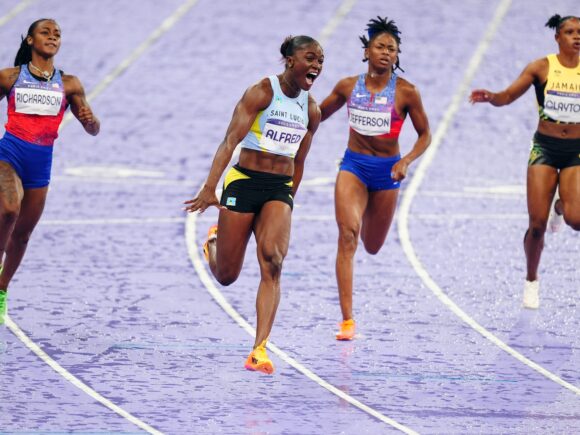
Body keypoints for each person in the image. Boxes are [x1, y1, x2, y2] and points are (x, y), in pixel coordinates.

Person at [184, 35, 323, 374]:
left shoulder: (311, 110)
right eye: (310, 58)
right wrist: (209, 187)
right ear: (290, 61)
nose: (317, 65)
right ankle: (214, 245)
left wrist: (290, 197)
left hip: (278, 188)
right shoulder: (261, 92)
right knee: (227, 276)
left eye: (321, 60)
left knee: (273, 262)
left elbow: (300, 160)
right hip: (244, 182)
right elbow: (230, 140)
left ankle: (259, 349)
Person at [319, 17, 431, 340]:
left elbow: (425, 135)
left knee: (372, 245)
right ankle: (347, 320)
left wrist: (407, 160)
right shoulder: (346, 87)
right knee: (348, 236)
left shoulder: (407, 93)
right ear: (366, 51)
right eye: (379, 46)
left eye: (391, 49)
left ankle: (367, 212)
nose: (385, 53)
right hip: (353, 167)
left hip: (387, 173)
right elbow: (319, 115)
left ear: (397, 56)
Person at [470, 14, 579, 309]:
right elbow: (507, 95)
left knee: (576, 219)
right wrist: (491, 96)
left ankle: (561, 204)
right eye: (570, 31)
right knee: (536, 227)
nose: (576, 36)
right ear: (558, 37)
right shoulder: (541, 68)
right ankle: (531, 279)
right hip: (545, 148)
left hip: (576, 152)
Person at [0, 19, 100, 324]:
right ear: (30, 40)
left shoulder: (69, 84)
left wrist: (89, 118)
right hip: (9, 155)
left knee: (23, 235)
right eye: (46, 32)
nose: (52, 37)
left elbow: (93, 129)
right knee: (8, 210)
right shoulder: (9, 77)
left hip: (41, 163)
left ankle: (1, 291)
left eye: (57, 34)